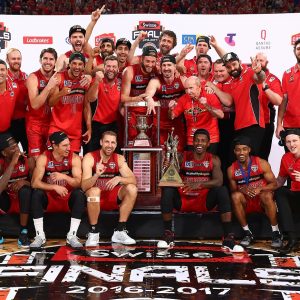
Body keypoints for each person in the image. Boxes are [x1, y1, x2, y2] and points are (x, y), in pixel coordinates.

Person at [157, 129, 242, 252]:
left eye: (203, 141)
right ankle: (168, 234)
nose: (199, 143)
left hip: (204, 200)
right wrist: (166, 167)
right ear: (192, 142)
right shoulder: (182, 157)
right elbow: (168, 178)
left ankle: (228, 237)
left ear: (208, 144)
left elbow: (219, 181)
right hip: (184, 199)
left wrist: (199, 184)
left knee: (222, 190)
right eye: (196, 140)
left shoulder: (213, 159)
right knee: (168, 190)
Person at [30, 131, 86, 249]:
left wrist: (64, 177)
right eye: (65, 145)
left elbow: (79, 183)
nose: (69, 148)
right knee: (36, 194)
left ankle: (72, 235)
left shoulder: (74, 158)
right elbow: (34, 183)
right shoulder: (43, 157)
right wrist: (54, 187)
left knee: (80, 194)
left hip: (68, 195)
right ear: (54, 146)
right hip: (49, 197)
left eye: (69, 144)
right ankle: (40, 235)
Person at [81, 131, 137, 246]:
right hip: (95, 198)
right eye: (107, 142)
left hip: (112, 196)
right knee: (94, 191)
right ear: (101, 142)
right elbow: (84, 186)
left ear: (116, 145)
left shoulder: (119, 158)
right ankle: (93, 233)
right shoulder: (90, 157)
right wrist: (96, 175)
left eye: (113, 142)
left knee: (132, 188)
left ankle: (120, 231)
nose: (110, 145)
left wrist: (119, 178)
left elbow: (134, 180)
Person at [227, 135, 282, 248]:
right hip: (246, 201)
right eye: (238, 150)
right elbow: (232, 190)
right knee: (235, 196)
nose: (241, 152)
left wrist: (260, 189)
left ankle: (276, 233)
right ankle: (247, 233)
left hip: (261, 200)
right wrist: (242, 188)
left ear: (249, 150)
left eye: (244, 149)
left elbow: (275, 184)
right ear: (234, 151)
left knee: (266, 195)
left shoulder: (261, 163)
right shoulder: (231, 169)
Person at [221, 52, 266, 156]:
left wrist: (259, 72)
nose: (232, 68)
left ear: (240, 62)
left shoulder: (249, 72)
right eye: (228, 67)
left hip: (253, 124)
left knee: (251, 161)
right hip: (238, 126)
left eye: (234, 64)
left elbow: (260, 78)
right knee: (239, 162)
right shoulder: (232, 81)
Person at [48, 52, 92, 153]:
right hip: (57, 128)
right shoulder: (59, 78)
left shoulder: (84, 80)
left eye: (80, 64)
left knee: (73, 164)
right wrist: (61, 93)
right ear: (69, 64)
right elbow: (50, 103)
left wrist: (89, 128)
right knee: (55, 162)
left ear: (83, 66)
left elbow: (86, 106)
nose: (77, 67)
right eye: (74, 63)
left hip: (75, 133)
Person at [169, 76, 224, 154]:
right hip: (192, 139)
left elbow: (221, 115)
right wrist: (170, 109)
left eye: (191, 88)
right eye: (186, 89)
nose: (188, 91)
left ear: (199, 87)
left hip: (210, 138)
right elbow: (172, 116)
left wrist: (207, 105)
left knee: (210, 164)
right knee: (193, 164)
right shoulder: (184, 99)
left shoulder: (209, 95)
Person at [145, 54, 186, 151]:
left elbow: (194, 88)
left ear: (175, 67)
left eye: (169, 65)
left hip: (177, 124)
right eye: (164, 65)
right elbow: (148, 94)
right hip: (160, 126)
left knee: (178, 153)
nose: (166, 68)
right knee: (161, 154)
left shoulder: (182, 79)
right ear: (160, 67)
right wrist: (149, 98)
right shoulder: (156, 80)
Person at [0, 133, 34, 247]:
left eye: (17, 145)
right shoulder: (1, 164)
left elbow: (37, 184)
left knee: (25, 190)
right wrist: (13, 163)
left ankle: (23, 232)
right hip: (8, 201)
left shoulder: (29, 160)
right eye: (12, 148)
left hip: (24, 201)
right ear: (4, 153)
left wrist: (25, 182)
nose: (17, 149)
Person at [121, 45, 157, 145]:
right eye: (147, 61)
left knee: (149, 144)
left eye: (153, 62)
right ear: (141, 59)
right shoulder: (130, 71)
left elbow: (172, 67)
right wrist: (136, 98)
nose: (150, 64)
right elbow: (123, 97)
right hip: (133, 114)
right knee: (132, 144)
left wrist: (176, 71)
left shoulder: (157, 70)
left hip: (150, 112)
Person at [26, 48, 58, 158]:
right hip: (35, 124)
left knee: (51, 159)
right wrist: (49, 86)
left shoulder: (58, 76)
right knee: (36, 159)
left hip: (52, 124)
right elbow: (35, 105)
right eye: (45, 58)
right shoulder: (33, 77)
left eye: (51, 59)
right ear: (40, 60)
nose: (48, 62)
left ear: (55, 62)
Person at [84, 55, 121, 153]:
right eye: (108, 66)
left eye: (114, 67)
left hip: (113, 125)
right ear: (104, 67)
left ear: (118, 69)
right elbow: (91, 98)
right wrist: (96, 81)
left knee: (113, 158)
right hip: (96, 125)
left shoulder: (121, 83)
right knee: (91, 156)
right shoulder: (97, 80)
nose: (111, 69)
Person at [275, 129, 300, 254]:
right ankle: (292, 239)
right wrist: (262, 188)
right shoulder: (286, 158)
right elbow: (279, 181)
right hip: (296, 196)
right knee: (280, 192)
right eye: (288, 142)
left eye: (295, 141)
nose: (291, 144)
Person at [255, 52, 283, 160]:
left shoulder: (273, 79)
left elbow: (278, 101)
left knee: (262, 157)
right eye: (257, 60)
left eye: (261, 61)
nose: (259, 63)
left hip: (265, 123)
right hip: (247, 124)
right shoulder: (248, 76)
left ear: (267, 62)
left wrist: (265, 87)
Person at [276, 39, 300, 142]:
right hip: (291, 125)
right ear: (295, 51)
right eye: (298, 49)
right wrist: (279, 124)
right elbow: (283, 101)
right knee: (291, 157)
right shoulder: (287, 74)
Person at [6, 48, 28, 153]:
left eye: (19, 59)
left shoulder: (26, 77)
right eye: (13, 58)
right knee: (8, 155)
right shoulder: (3, 78)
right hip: (8, 124)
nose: (16, 61)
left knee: (28, 153)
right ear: (7, 60)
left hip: (25, 122)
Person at [0, 59, 19, 134]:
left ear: (7, 71)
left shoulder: (15, 88)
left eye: (2, 70)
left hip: (6, 130)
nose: (0, 73)